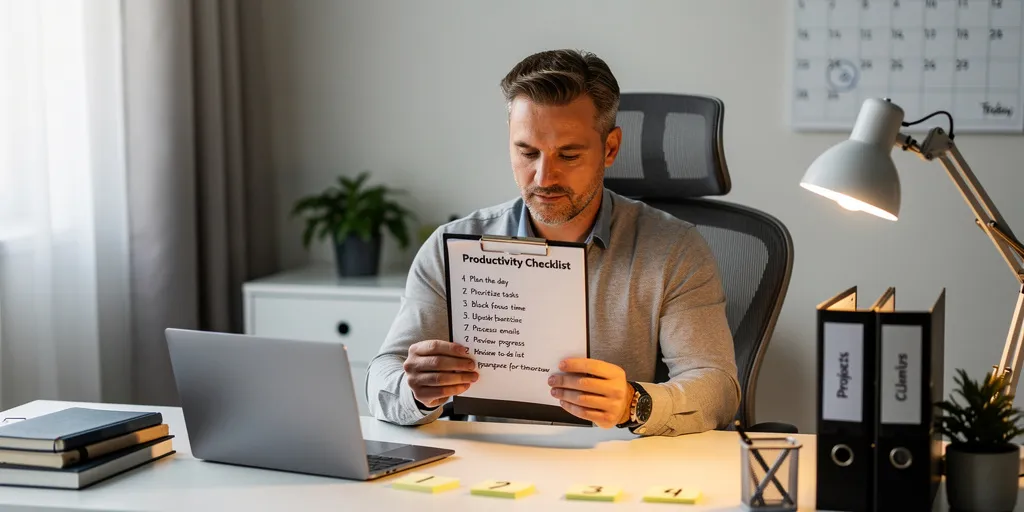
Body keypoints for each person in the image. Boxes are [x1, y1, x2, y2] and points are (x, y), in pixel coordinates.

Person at [365, 49, 739, 437]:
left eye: (569, 154)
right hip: (492, 465)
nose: (544, 177)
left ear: (610, 148)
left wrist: (633, 403)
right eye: (527, 152)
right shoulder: (454, 245)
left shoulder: (675, 250)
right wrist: (415, 391)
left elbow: (717, 388)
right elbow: (382, 374)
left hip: (615, 466)